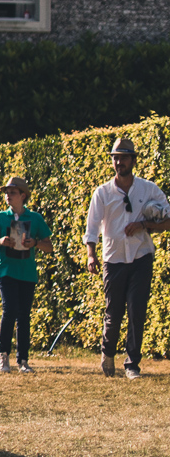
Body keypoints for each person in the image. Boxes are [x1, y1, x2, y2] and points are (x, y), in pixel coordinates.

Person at [84, 136, 170, 379]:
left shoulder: (149, 189)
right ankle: (108, 353)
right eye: (115, 158)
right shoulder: (102, 193)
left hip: (141, 257)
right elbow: (91, 228)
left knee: (137, 311)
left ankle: (132, 364)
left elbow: (168, 219)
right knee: (113, 313)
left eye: (123, 157)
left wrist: (143, 225)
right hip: (113, 260)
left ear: (133, 160)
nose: (118, 162)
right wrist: (91, 255)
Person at [0, 175, 52, 374]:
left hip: (27, 273)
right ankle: (3, 355)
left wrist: (36, 243)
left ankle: (23, 360)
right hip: (6, 270)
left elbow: (49, 246)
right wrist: (0, 242)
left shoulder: (35, 218)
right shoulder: (0, 217)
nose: (7, 196)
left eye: (12, 192)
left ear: (23, 195)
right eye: (6, 192)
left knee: (24, 316)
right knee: (9, 309)